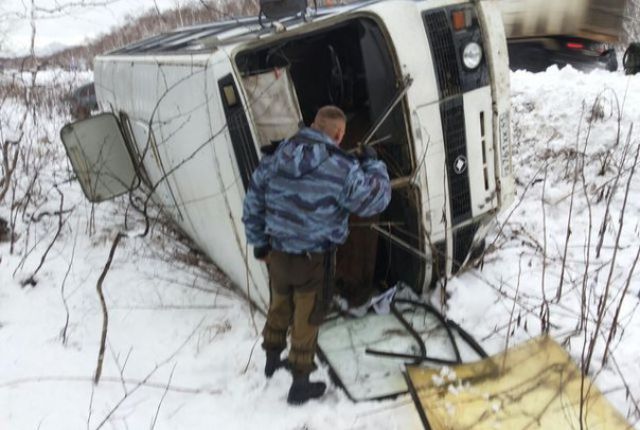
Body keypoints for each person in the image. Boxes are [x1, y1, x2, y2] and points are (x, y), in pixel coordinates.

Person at [242, 105, 391, 405]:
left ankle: (272, 361)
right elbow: (376, 200)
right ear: (339, 134)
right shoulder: (343, 167)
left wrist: (259, 242)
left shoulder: (276, 156)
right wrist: (374, 166)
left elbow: (253, 201)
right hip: (315, 260)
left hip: (278, 253)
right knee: (307, 318)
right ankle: (300, 383)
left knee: (280, 304)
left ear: (312, 124)